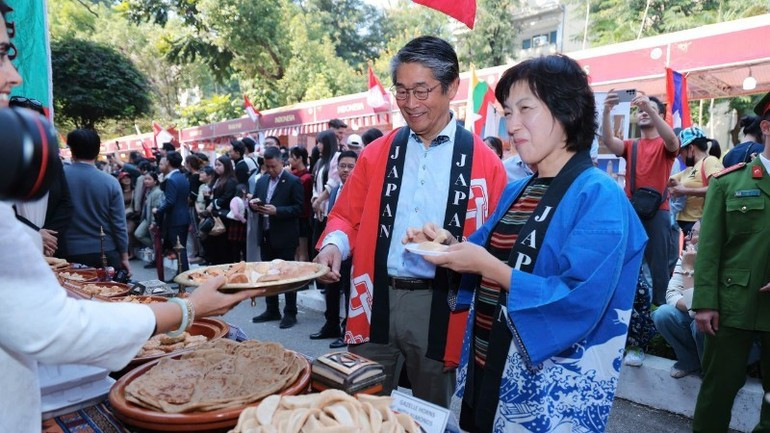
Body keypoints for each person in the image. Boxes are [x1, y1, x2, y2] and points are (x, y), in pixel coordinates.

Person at [404, 54, 648, 432]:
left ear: (566, 110)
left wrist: (486, 267)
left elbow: (579, 297)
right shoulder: (518, 189)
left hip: (543, 383)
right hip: (489, 359)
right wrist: (445, 243)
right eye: (507, 112)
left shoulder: (599, 195)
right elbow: (484, 250)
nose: (512, 125)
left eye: (525, 109)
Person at [314, 36, 507, 407]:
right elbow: (344, 215)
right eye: (401, 91)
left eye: (422, 91)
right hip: (375, 299)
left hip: (441, 305)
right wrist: (332, 246)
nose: (410, 104)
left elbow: (496, 246)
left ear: (452, 87)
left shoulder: (486, 164)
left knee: (432, 412)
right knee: (364, 408)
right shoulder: (377, 153)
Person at [692, 92, 770, 432]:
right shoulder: (729, 182)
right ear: (766, 126)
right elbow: (708, 248)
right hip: (732, 302)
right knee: (718, 391)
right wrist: (705, 302)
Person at [603, 90, 679, 306]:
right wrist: (607, 111)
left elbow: (673, 141)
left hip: (659, 212)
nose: (643, 113)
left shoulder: (665, 143)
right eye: (640, 110)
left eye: (651, 110)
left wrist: (649, 108)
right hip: (631, 210)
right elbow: (609, 141)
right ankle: (630, 310)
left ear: (661, 116)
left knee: (659, 266)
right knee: (626, 262)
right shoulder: (631, 144)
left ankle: (659, 311)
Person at [249, 147, 304, 329]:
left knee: (287, 274)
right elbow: (256, 200)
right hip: (266, 233)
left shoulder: (292, 181)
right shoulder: (262, 181)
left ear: (282, 162)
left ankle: (290, 312)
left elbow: (299, 208)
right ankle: (272, 309)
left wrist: (278, 211)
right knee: (268, 273)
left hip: (285, 234)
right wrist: (253, 205)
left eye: (273, 166)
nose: (270, 170)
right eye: (267, 166)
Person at [63, 129, 131, 273]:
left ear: (72, 150)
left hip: (67, 252)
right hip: (105, 252)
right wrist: (124, 256)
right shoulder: (110, 182)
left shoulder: (58, 178)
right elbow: (119, 224)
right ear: (97, 150)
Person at [310, 150, 358, 347]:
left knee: (348, 290)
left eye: (350, 166)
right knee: (330, 288)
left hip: (351, 250)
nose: (345, 170)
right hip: (331, 247)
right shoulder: (335, 189)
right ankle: (330, 325)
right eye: (342, 166)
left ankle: (347, 330)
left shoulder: (359, 192)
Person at [652, 221, 704, 378]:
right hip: (694, 312)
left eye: (693, 234)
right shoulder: (687, 256)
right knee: (663, 314)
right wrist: (691, 307)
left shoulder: (723, 259)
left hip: (722, 329)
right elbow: (672, 294)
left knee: (700, 322)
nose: (688, 238)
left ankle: (710, 368)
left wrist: (689, 270)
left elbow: (699, 312)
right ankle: (690, 361)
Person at [668, 126, 723, 240]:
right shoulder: (688, 170)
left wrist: (684, 190)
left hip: (699, 225)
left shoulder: (709, 161)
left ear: (691, 148)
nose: (679, 156)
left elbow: (718, 188)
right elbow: (664, 181)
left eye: (680, 151)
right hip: (682, 226)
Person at [154, 151, 191, 272]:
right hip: (183, 215)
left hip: (175, 218)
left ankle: (183, 275)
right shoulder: (182, 177)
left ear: (168, 162)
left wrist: (158, 211)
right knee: (180, 248)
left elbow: (170, 201)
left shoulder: (171, 179)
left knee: (179, 249)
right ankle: (180, 274)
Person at [203, 155, 237, 265]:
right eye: (215, 165)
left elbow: (226, 197)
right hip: (214, 215)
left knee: (223, 246)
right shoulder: (217, 179)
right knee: (214, 244)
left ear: (226, 166)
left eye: (219, 165)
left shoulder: (230, 181)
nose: (216, 167)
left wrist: (213, 203)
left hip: (224, 216)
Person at [289, 146, 314, 277]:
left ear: (299, 159)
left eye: (291, 157)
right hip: (294, 216)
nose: (289, 160)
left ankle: (304, 277)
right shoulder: (293, 175)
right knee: (296, 249)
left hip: (303, 217)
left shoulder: (306, 178)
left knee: (302, 250)